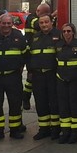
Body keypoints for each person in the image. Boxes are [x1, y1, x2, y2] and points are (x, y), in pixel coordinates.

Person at [0, 14, 27, 142]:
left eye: (8, 23)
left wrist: (21, 67)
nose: (6, 26)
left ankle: (15, 130)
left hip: (13, 76)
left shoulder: (18, 36)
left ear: (12, 24)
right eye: (3, 23)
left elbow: (24, 54)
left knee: (15, 103)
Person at [28, 13, 61, 141]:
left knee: (54, 102)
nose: (44, 25)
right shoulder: (35, 37)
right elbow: (30, 55)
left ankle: (56, 129)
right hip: (38, 75)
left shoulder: (59, 35)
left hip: (52, 74)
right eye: (41, 23)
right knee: (40, 102)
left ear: (51, 22)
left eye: (46, 22)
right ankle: (44, 129)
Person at [56, 23, 77, 144]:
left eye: (69, 31)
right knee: (63, 107)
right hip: (62, 80)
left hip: (76, 81)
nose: (66, 33)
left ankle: (75, 133)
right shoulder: (58, 45)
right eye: (64, 31)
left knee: (75, 107)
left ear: (73, 32)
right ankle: (65, 132)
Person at [23, 3, 52, 110]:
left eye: (46, 14)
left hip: (38, 50)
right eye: (43, 14)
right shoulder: (31, 18)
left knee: (32, 78)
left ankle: (26, 96)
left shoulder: (36, 17)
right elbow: (38, 24)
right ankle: (25, 97)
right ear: (38, 11)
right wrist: (52, 16)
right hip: (31, 52)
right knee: (31, 76)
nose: (44, 16)